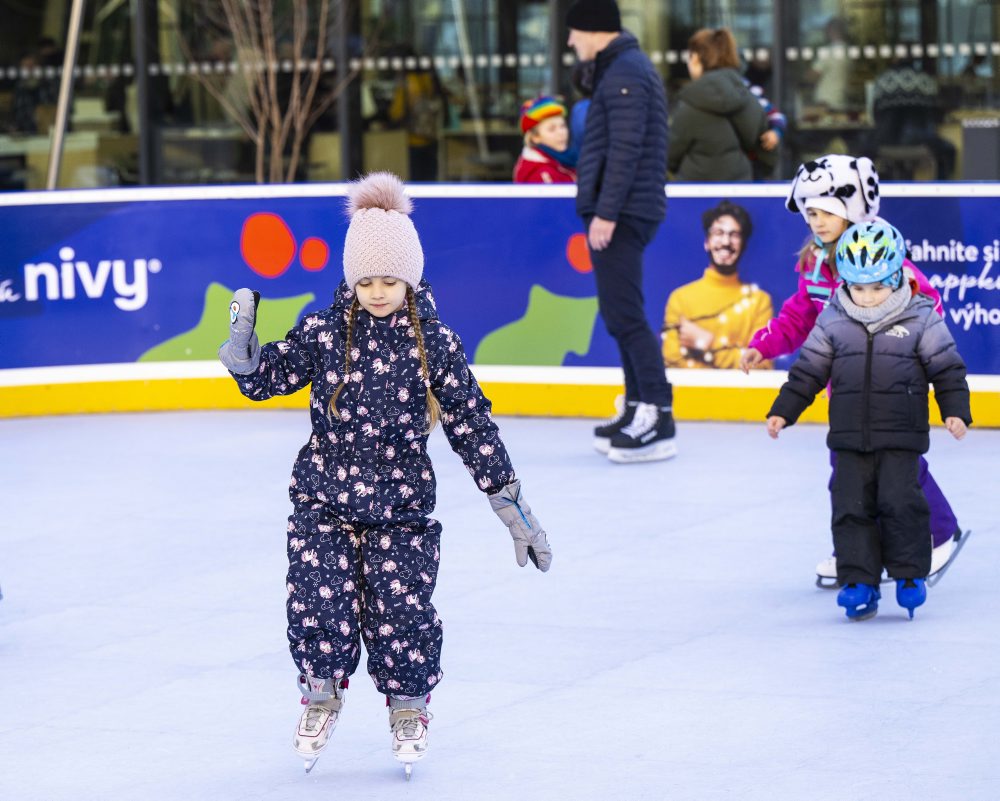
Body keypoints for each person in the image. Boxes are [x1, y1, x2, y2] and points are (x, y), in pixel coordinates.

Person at [217, 172, 552, 775]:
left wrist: (512, 506)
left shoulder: (435, 344)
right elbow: (269, 379)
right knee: (317, 602)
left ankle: (407, 706)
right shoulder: (324, 332)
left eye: (389, 280)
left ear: (411, 278)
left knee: (403, 612)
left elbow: (470, 424)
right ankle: (321, 694)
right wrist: (244, 354)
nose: (376, 291)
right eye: (365, 279)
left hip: (400, 509)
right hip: (325, 500)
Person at [740, 154, 966, 585]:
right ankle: (855, 552)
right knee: (847, 475)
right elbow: (799, 316)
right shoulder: (814, 262)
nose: (818, 221)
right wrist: (764, 344)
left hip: (893, 386)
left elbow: (929, 309)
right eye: (810, 213)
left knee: (900, 469)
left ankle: (938, 534)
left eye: (827, 211)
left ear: (855, 209)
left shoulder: (882, 259)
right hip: (844, 393)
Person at [766, 220, 971, 621]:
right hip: (847, 437)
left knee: (902, 504)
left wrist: (955, 411)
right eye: (859, 288)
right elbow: (808, 371)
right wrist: (783, 410)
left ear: (897, 277)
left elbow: (947, 368)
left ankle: (910, 574)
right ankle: (859, 581)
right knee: (850, 508)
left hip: (901, 436)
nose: (868, 297)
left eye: (877, 287)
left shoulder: (920, 318)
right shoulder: (833, 319)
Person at [567, 0, 676, 464]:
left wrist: (606, 213)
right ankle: (636, 406)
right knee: (618, 314)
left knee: (626, 315)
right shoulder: (618, 69)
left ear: (593, 30)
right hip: (624, 208)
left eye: (574, 32)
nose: (570, 42)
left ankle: (659, 414)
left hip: (625, 211)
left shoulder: (626, 72)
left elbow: (626, 150)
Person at [662, 200, 774, 369]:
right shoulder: (680, 298)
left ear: (743, 245)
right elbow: (672, 361)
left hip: (741, 395)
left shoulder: (759, 302)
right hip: (690, 395)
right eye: (718, 233)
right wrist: (735, 356)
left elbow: (761, 366)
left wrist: (707, 342)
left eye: (734, 234)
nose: (726, 241)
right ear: (707, 242)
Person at [667, 28, 768, 182]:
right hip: (742, 193)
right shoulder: (750, 99)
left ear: (696, 58)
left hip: (695, 196)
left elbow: (668, 156)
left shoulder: (691, 104)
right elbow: (768, 154)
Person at [870, 58, 956, 180]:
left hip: (885, 143)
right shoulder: (926, 80)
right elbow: (938, 115)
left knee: (861, 149)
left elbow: (875, 115)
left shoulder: (883, 80)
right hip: (922, 144)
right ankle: (941, 190)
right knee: (948, 150)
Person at [512, 96, 577, 184]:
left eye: (563, 126)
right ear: (535, 137)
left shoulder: (563, 159)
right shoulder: (540, 175)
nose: (561, 132)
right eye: (551, 129)